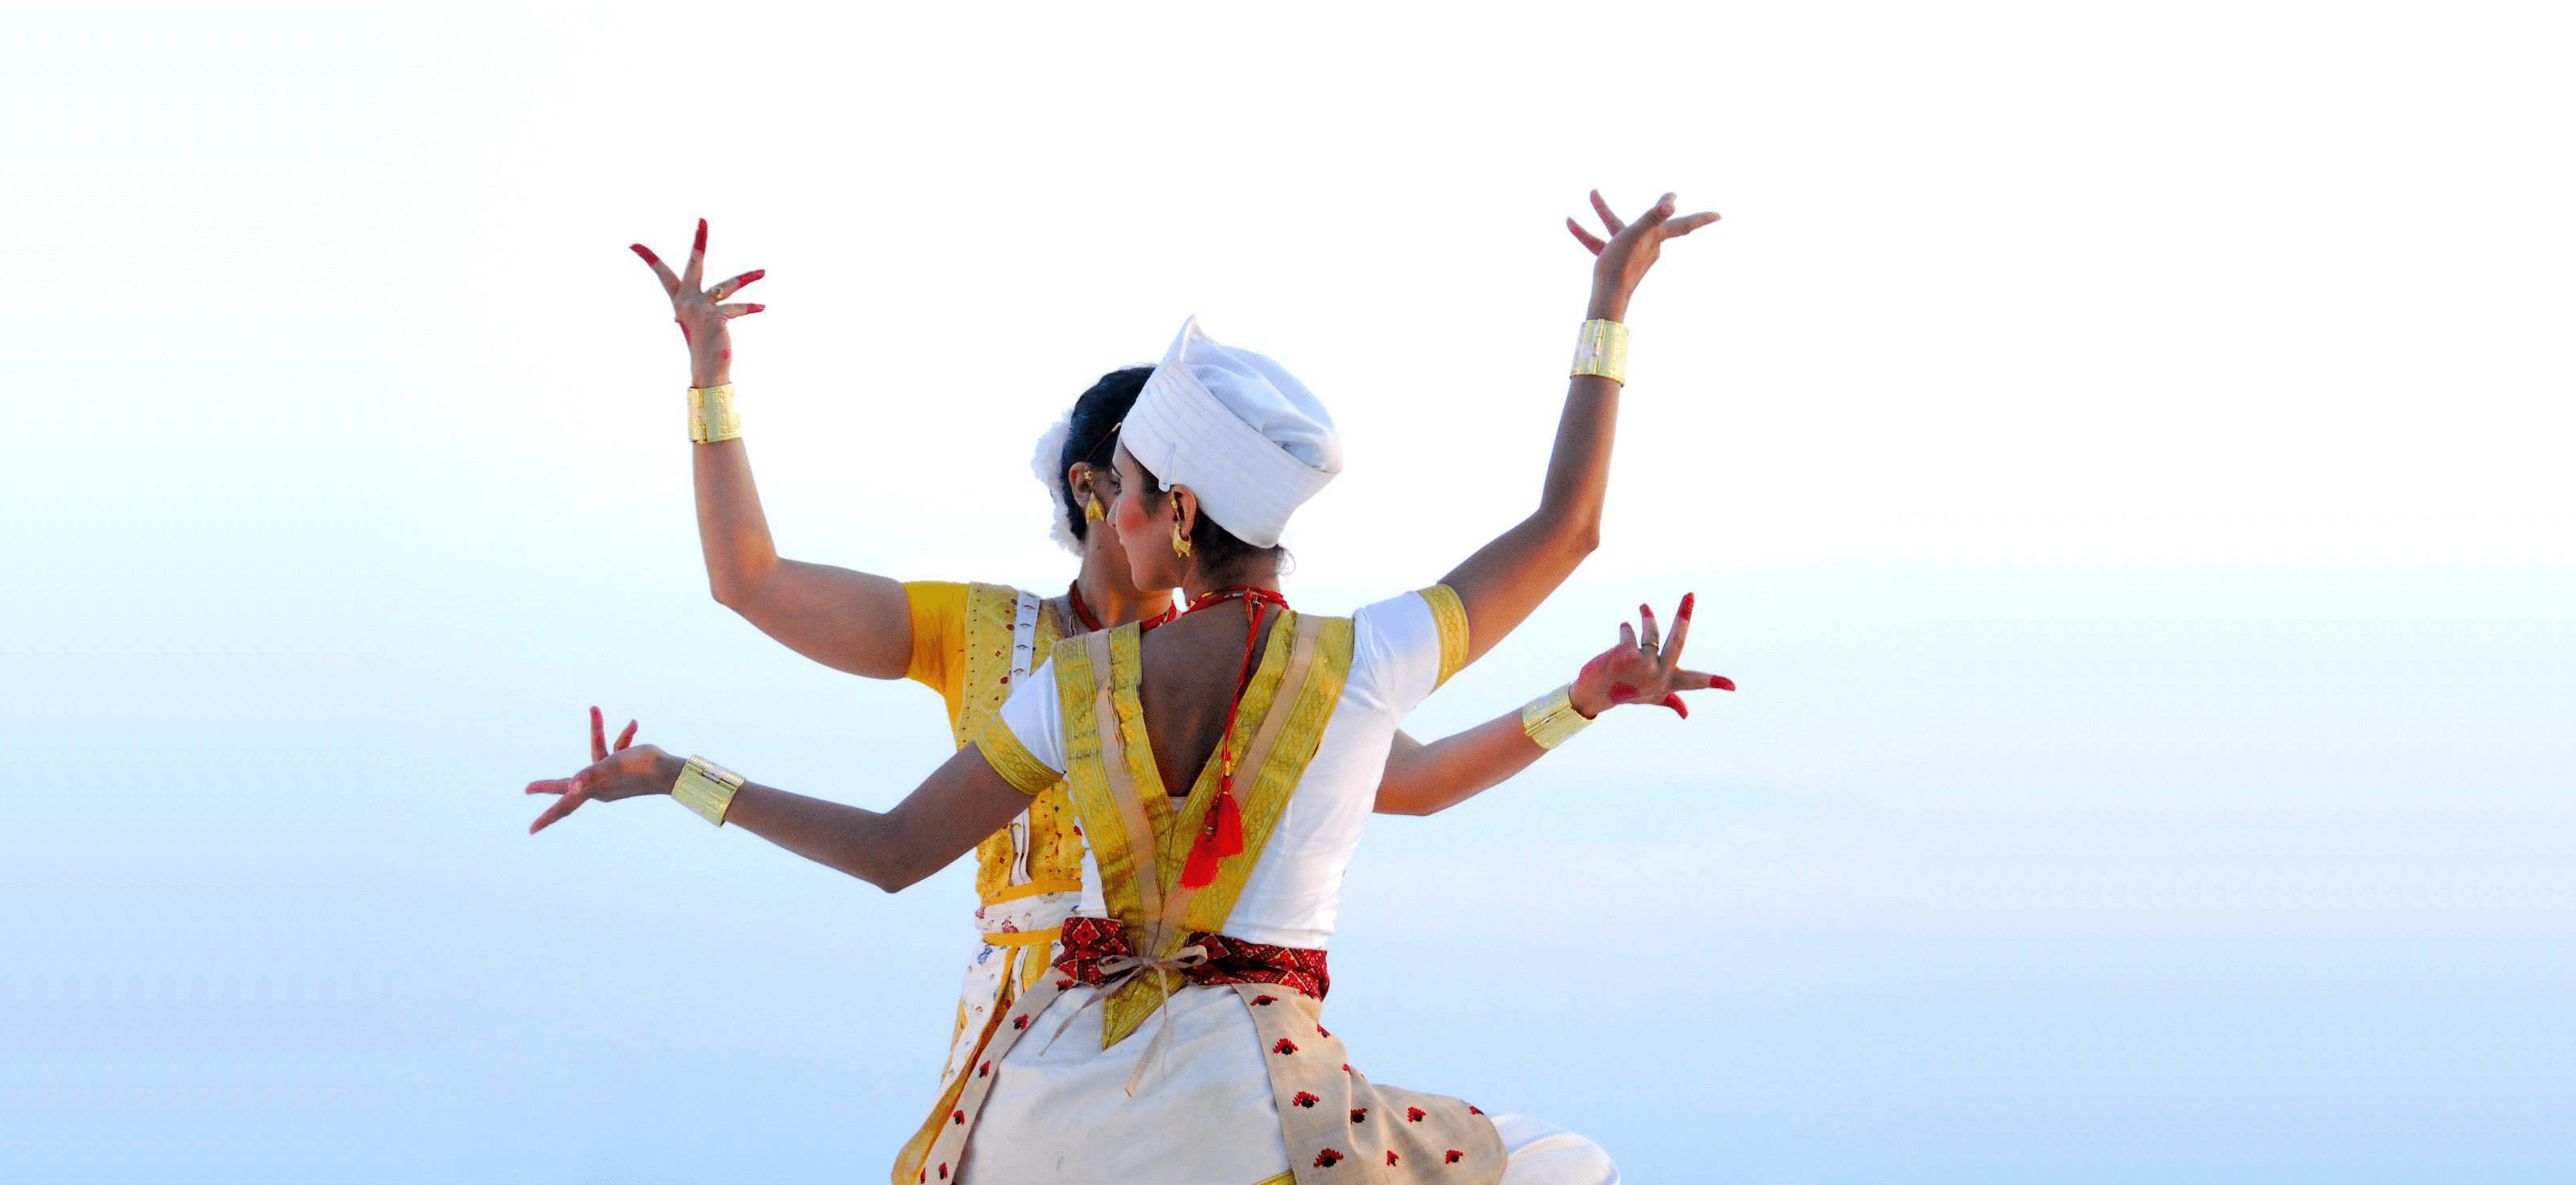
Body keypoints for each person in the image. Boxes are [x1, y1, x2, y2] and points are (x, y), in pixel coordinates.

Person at [528, 190, 1723, 1184]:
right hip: (1176, 1067)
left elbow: (895, 850)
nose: (1120, 508)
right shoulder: (1337, 663)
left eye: (1140, 487)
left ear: (1166, 507)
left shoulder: (1084, 691)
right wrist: (1608, 310)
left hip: (1036, 1093)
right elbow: (1565, 531)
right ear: (1095, 490)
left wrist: (685, 778)